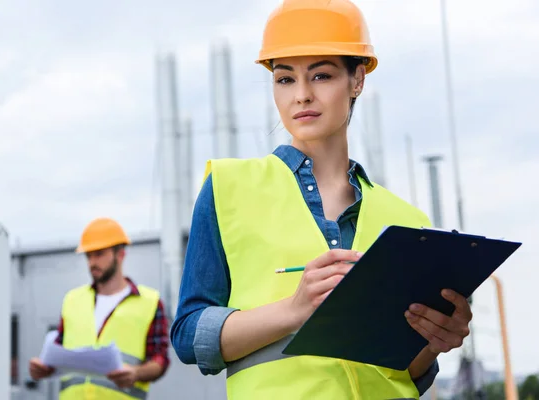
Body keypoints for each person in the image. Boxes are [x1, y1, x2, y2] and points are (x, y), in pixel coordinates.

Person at [171, 0, 474, 399]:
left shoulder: (406, 222)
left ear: (357, 80)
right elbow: (189, 335)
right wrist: (293, 310)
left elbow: (407, 370)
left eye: (322, 75)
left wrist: (436, 339)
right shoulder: (228, 188)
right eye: (285, 79)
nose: (302, 95)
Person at [28, 217, 170, 400]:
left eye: (99, 254)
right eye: (89, 255)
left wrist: (136, 373)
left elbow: (159, 360)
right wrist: (44, 368)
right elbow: (59, 353)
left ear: (120, 254)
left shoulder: (149, 302)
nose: (92, 262)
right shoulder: (72, 300)